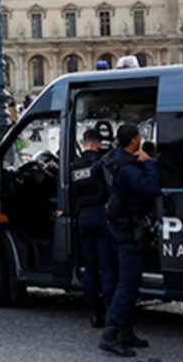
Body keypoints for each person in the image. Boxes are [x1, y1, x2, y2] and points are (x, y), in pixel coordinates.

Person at [99, 123, 160, 357]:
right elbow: (150, 188)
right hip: (129, 230)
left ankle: (126, 333)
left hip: (117, 226)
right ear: (134, 140)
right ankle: (110, 335)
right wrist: (150, 163)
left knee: (129, 283)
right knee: (127, 285)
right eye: (139, 136)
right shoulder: (128, 166)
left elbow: (94, 174)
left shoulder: (111, 159)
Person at [71, 128, 116, 328]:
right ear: (98, 144)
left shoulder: (75, 166)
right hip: (101, 218)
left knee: (90, 268)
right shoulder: (101, 163)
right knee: (106, 266)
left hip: (83, 219)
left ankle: (95, 312)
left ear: (84, 143)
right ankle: (109, 310)